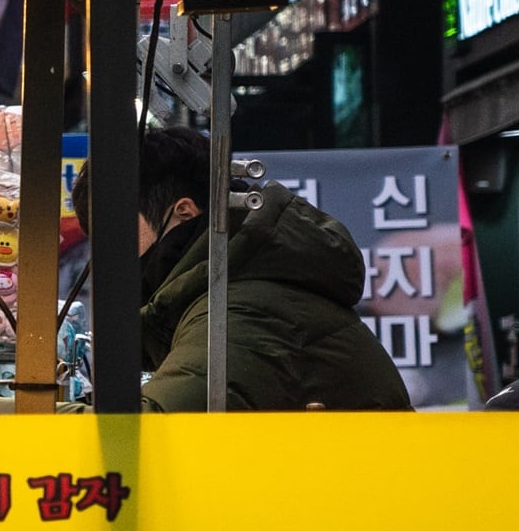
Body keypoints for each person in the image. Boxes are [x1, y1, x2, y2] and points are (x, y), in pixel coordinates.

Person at [76, 127, 409, 413]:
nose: (106, 259)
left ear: (185, 212)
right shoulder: (233, 289)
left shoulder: (245, 309)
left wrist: (28, 415)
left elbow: (152, 431)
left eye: (116, 234)